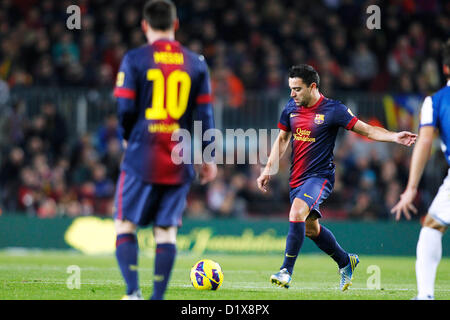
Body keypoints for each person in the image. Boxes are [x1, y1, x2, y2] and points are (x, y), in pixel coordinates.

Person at [257, 64, 417, 290]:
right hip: (297, 179)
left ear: (313, 87)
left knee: (296, 212)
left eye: (297, 89)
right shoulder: (290, 108)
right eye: (291, 89)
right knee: (311, 229)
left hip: (320, 177)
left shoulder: (334, 110)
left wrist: (394, 137)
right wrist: (268, 169)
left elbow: (367, 130)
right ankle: (346, 261)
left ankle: (285, 271)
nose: (292, 94)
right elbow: (282, 139)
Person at [112, 0, 217, 300]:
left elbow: (125, 107)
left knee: (125, 223)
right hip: (179, 155)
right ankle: (158, 298)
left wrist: (125, 137)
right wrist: (208, 156)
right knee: (166, 230)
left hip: (142, 153)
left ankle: (133, 293)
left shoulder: (135, 59)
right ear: (175, 24)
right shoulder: (195, 62)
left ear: (144, 25)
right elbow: (205, 116)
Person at [391, 39, 450, 300]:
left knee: (431, 227)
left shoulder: (435, 102)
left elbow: (424, 143)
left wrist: (411, 188)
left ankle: (425, 295)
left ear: (445, 68)